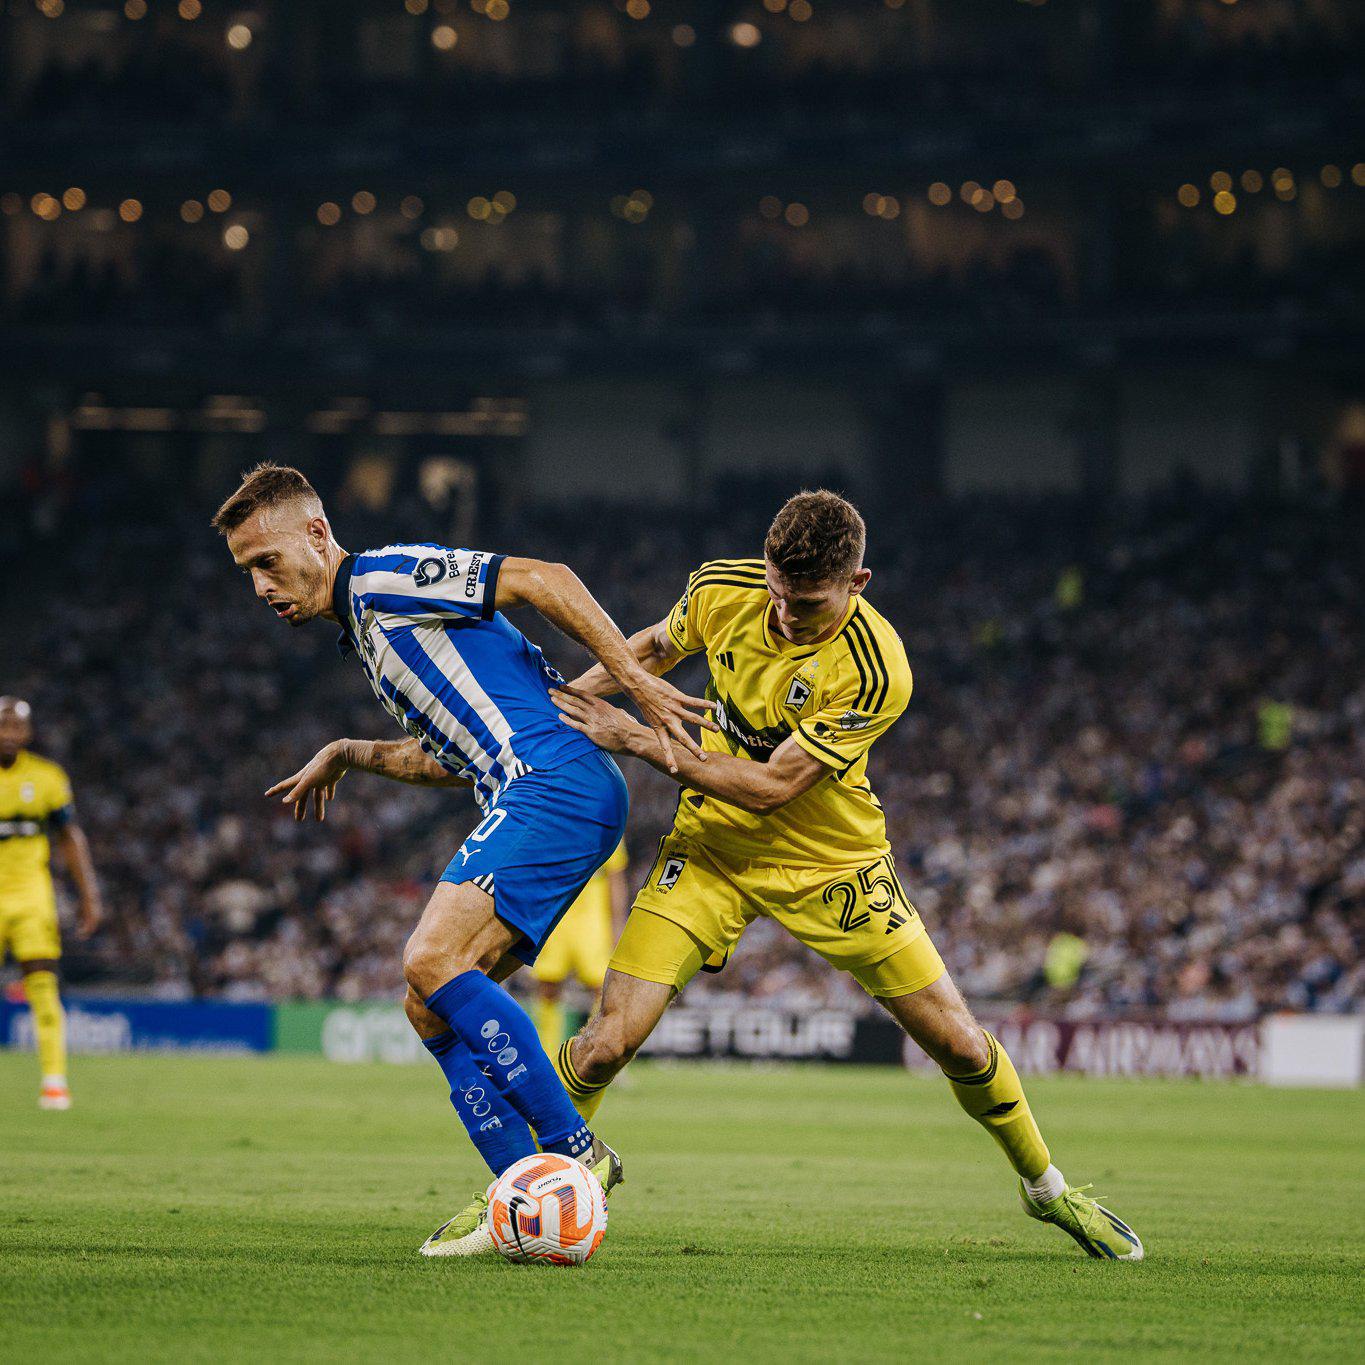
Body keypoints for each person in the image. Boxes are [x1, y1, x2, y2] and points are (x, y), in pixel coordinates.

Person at [550, 490, 1144, 1261]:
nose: (786, 613)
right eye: (777, 591)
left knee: (962, 1047)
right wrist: (562, 700)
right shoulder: (722, 588)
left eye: (808, 602)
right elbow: (655, 650)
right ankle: (516, 1186)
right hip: (712, 851)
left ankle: (1047, 1190)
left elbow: (769, 786)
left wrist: (633, 736)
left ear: (857, 582)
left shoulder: (875, 667)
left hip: (833, 863)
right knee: (602, 1045)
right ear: (763, 567)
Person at [211, 463, 711, 1256]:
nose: (261, 586)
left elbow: (545, 579)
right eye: (247, 573)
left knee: (431, 956)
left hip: (555, 780)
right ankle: (520, 1195)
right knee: (426, 1001)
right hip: (546, 786)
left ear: (315, 534)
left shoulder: (382, 578)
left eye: (266, 561)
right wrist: (350, 750)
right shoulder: (371, 636)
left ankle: (574, 1152)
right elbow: (448, 756)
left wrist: (635, 686)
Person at [0, 696, 103, 1110]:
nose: (9, 735)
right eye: (3, 726)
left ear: (28, 733)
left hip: (31, 898)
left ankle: (54, 1082)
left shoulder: (46, 777)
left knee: (42, 987)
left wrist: (89, 897)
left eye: (16, 727)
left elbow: (70, 838)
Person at [530, 839, 629, 1051]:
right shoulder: (554, 822)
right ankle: (545, 1055)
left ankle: (596, 1055)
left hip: (592, 920)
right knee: (548, 986)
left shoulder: (609, 823)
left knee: (602, 990)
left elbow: (616, 881)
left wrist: (618, 925)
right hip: (557, 916)